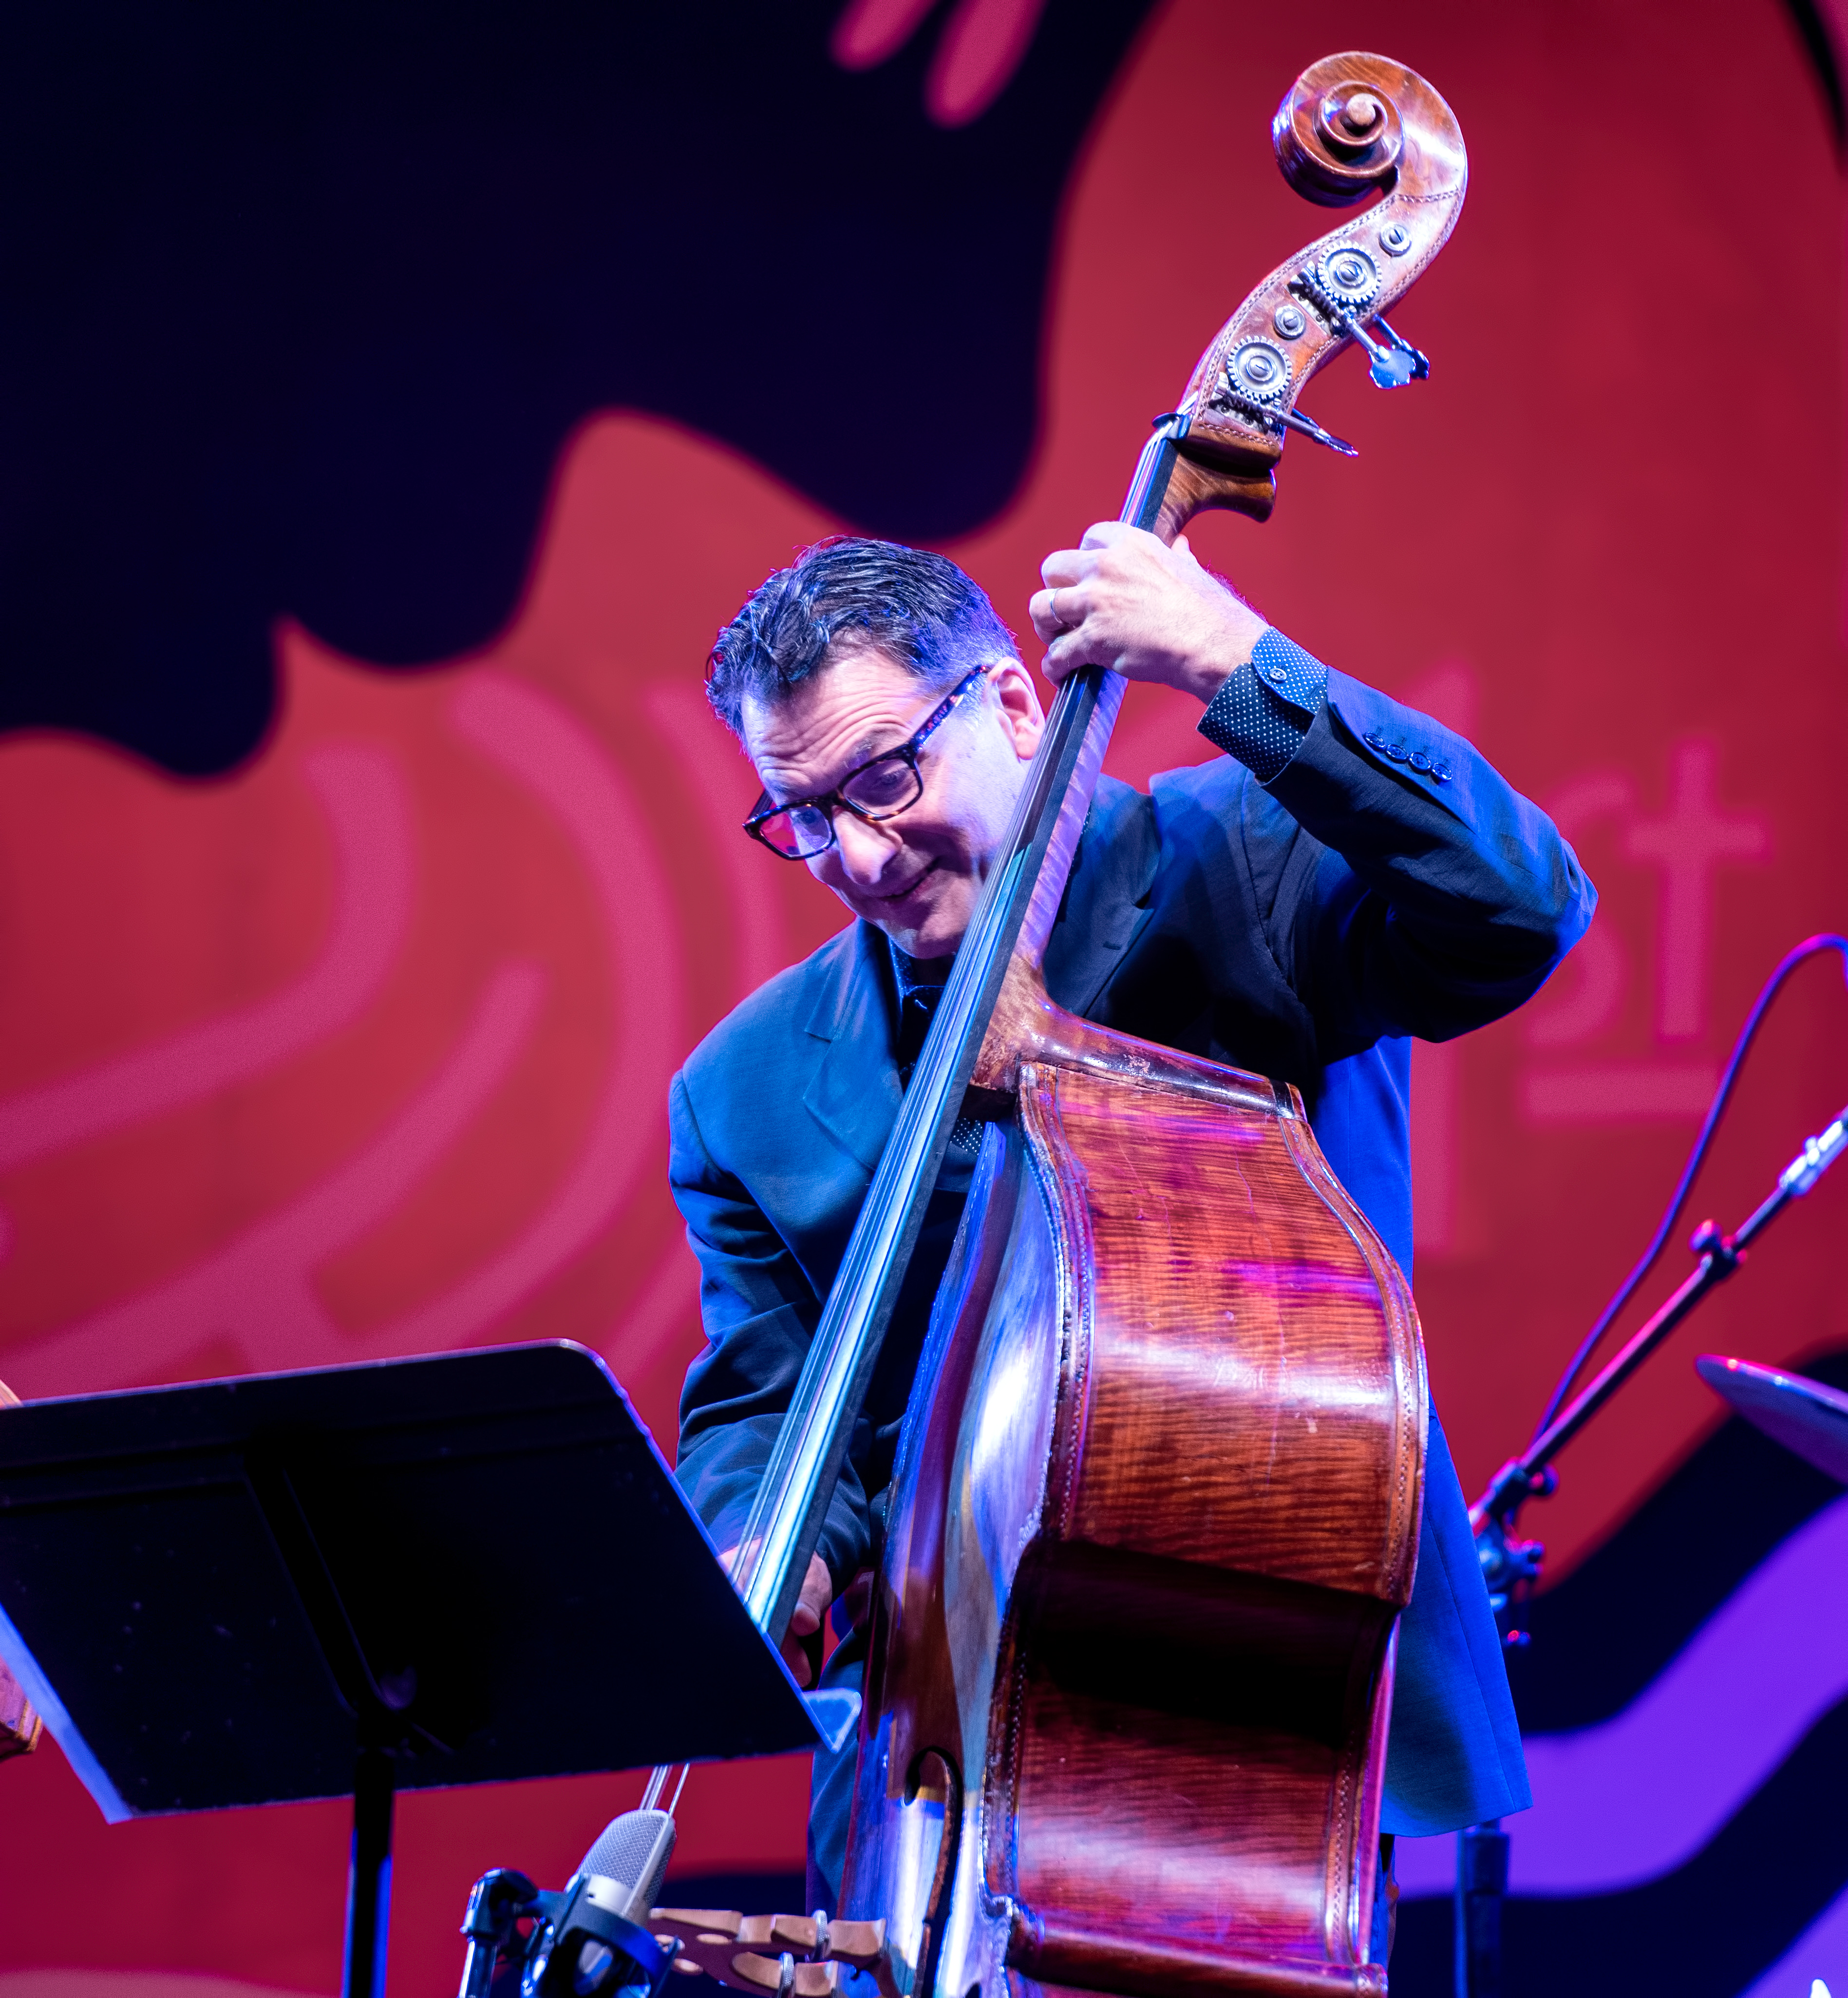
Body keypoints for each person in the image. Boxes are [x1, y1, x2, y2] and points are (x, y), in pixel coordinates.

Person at [670, 523, 1594, 1950]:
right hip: (934, 1773)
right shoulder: (740, 1093)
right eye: (801, 814)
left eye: (884, 779)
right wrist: (765, 1540)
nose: (855, 854)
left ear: (1016, 707)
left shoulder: (1239, 864)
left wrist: (1239, 664)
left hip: (1260, 1723)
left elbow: (1518, 905)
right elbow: (776, 1402)